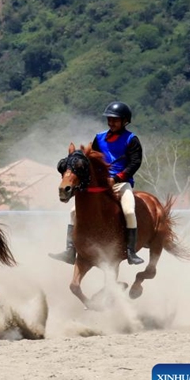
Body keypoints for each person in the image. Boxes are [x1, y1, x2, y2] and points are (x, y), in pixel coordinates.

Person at [49, 100, 145, 266]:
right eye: (109, 119)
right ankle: (70, 250)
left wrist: (116, 178)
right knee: (73, 211)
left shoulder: (131, 140)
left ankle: (130, 251)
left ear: (125, 121)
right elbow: (92, 161)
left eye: (115, 120)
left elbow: (134, 163)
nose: (111, 122)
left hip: (121, 183)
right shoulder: (99, 138)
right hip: (100, 184)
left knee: (129, 211)